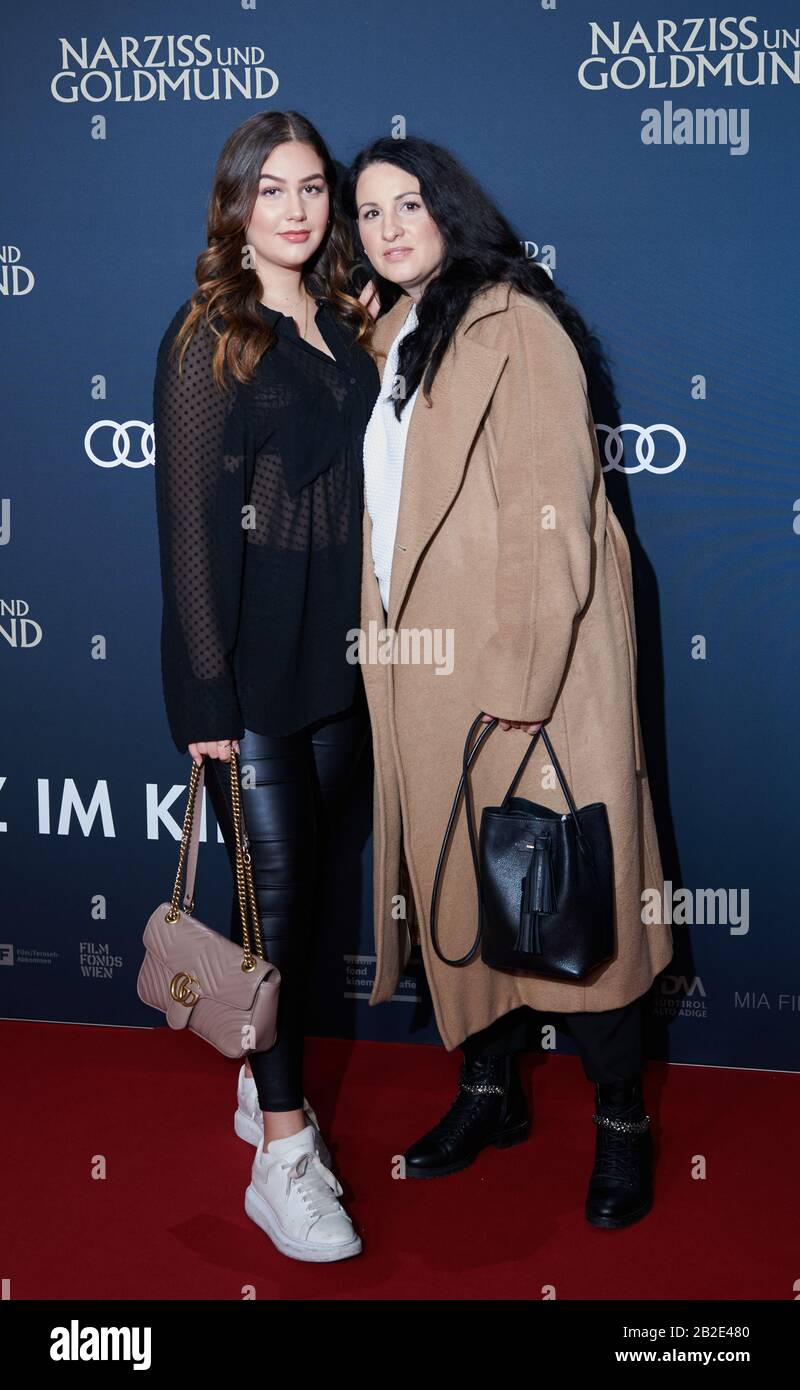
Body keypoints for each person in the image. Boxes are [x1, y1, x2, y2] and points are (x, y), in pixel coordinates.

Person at [347, 135, 674, 1228]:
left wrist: (524, 675)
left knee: (573, 898)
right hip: (424, 680)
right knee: (457, 890)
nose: (388, 229)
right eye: (369, 213)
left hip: (519, 676)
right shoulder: (394, 334)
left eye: (407, 205)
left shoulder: (513, 324)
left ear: (450, 210)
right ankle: (488, 1090)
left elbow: (551, 512)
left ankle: (622, 1119)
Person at [152, 110, 381, 1262]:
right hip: (250, 661)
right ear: (235, 204)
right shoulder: (209, 334)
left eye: (312, 189)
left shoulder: (344, 318)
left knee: (305, 896)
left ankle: (257, 1078)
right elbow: (191, 530)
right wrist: (203, 700)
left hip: (342, 656)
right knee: (277, 914)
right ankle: (281, 1153)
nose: (296, 210)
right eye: (272, 190)